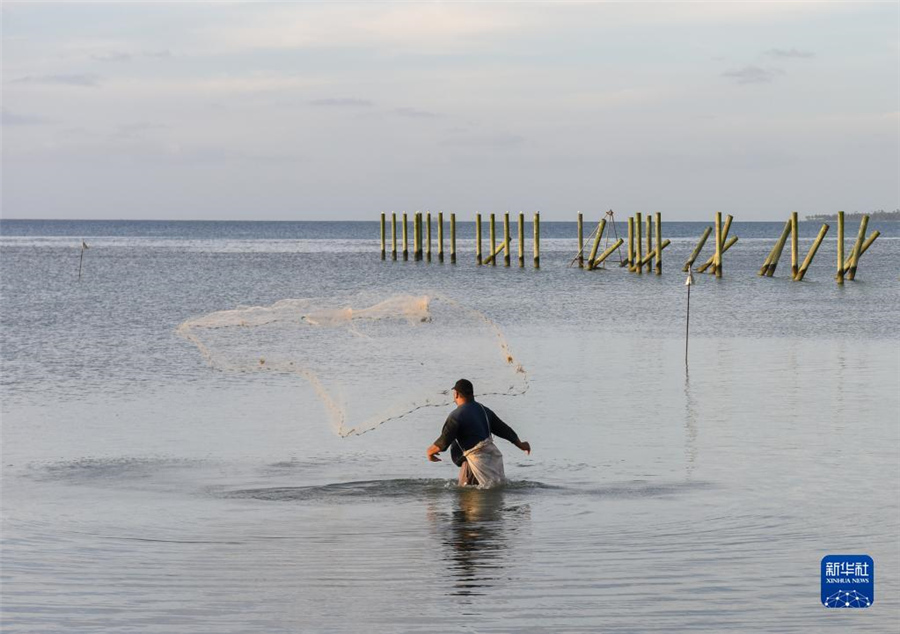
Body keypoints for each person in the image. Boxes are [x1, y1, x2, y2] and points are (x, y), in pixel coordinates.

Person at [426, 378, 531, 487]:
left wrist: (430, 452)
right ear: (472, 394)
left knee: (466, 498)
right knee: (491, 500)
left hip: (472, 465)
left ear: (456, 394)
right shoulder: (484, 410)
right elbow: (504, 430)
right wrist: (521, 445)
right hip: (491, 462)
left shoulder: (456, 416)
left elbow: (444, 441)